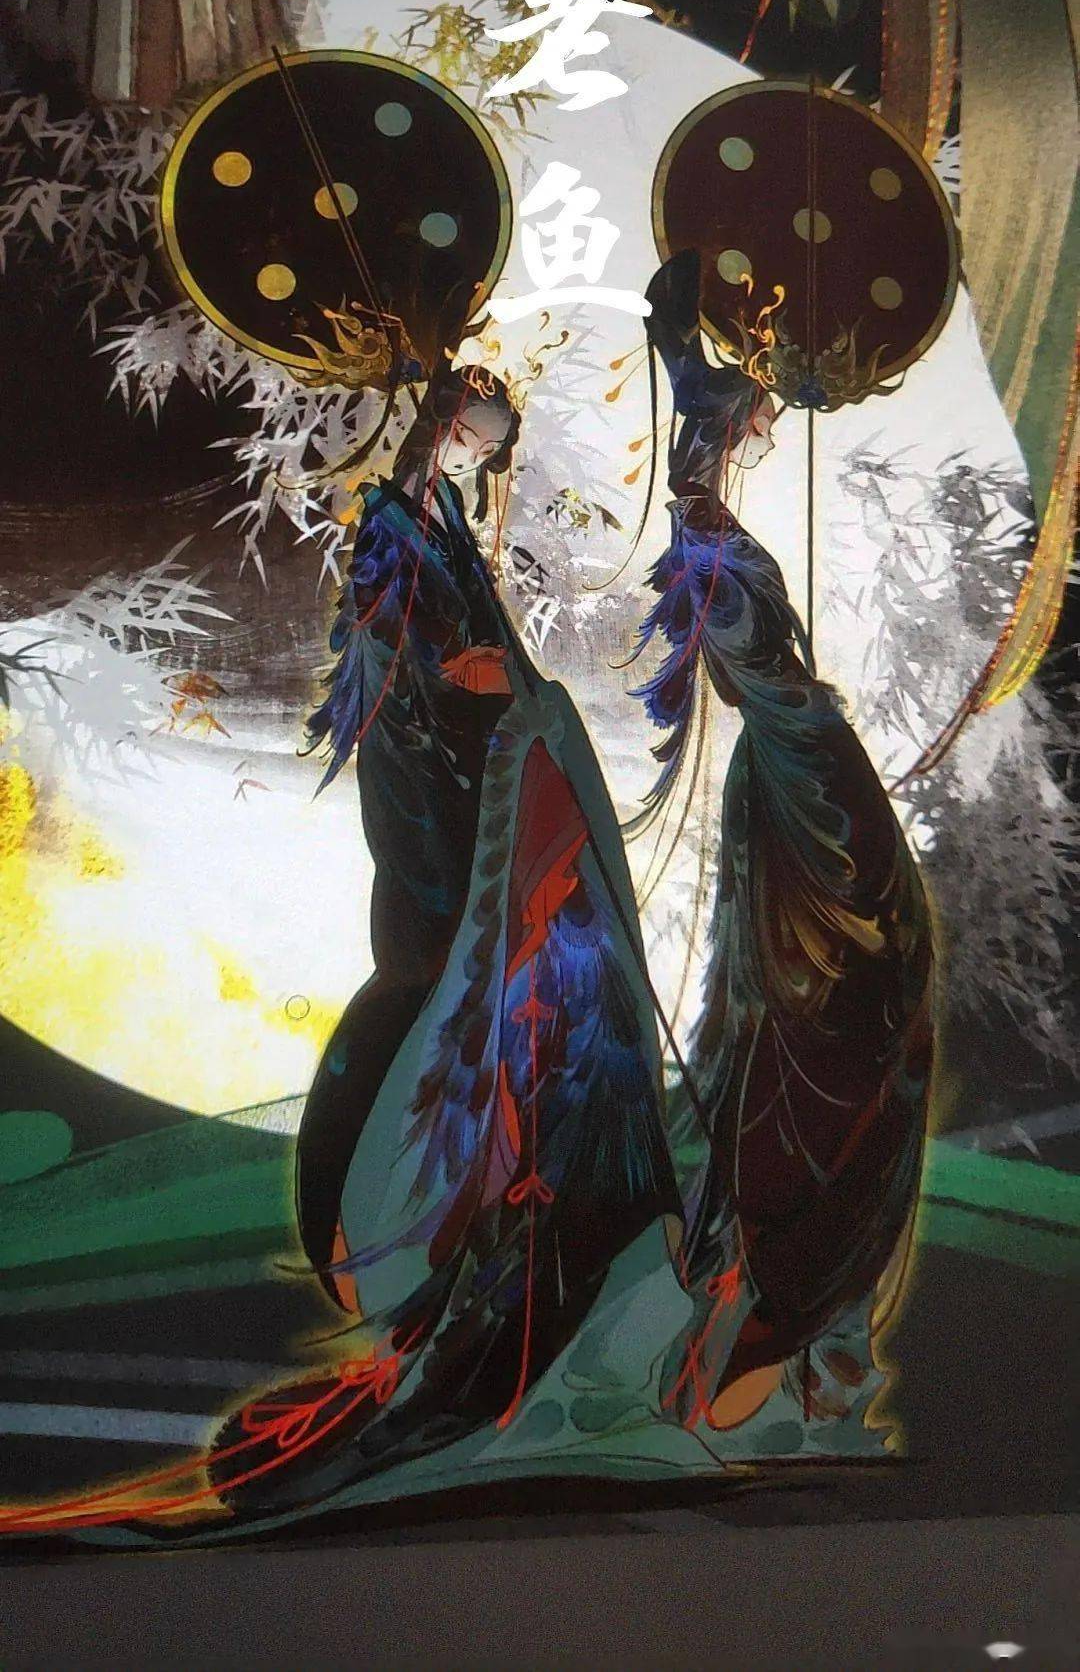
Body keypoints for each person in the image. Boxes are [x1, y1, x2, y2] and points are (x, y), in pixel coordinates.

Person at [209, 353, 681, 1519]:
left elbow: (457, 654)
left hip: (481, 781)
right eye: (473, 429)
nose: (480, 449)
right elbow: (394, 661)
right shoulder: (399, 522)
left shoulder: (441, 526)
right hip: (441, 796)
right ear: (446, 425)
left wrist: (496, 698)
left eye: (489, 436)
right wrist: (463, 694)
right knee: (437, 969)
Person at [629, 250, 934, 1439]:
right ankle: (782, 1304)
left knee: (858, 977)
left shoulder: (708, 529)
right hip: (801, 762)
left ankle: (792, 1320)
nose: (765, 425)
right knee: (861, 972)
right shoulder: (706, 538)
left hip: (796, 763)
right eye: (750, 413)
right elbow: (751, 663)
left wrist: (686, 357)